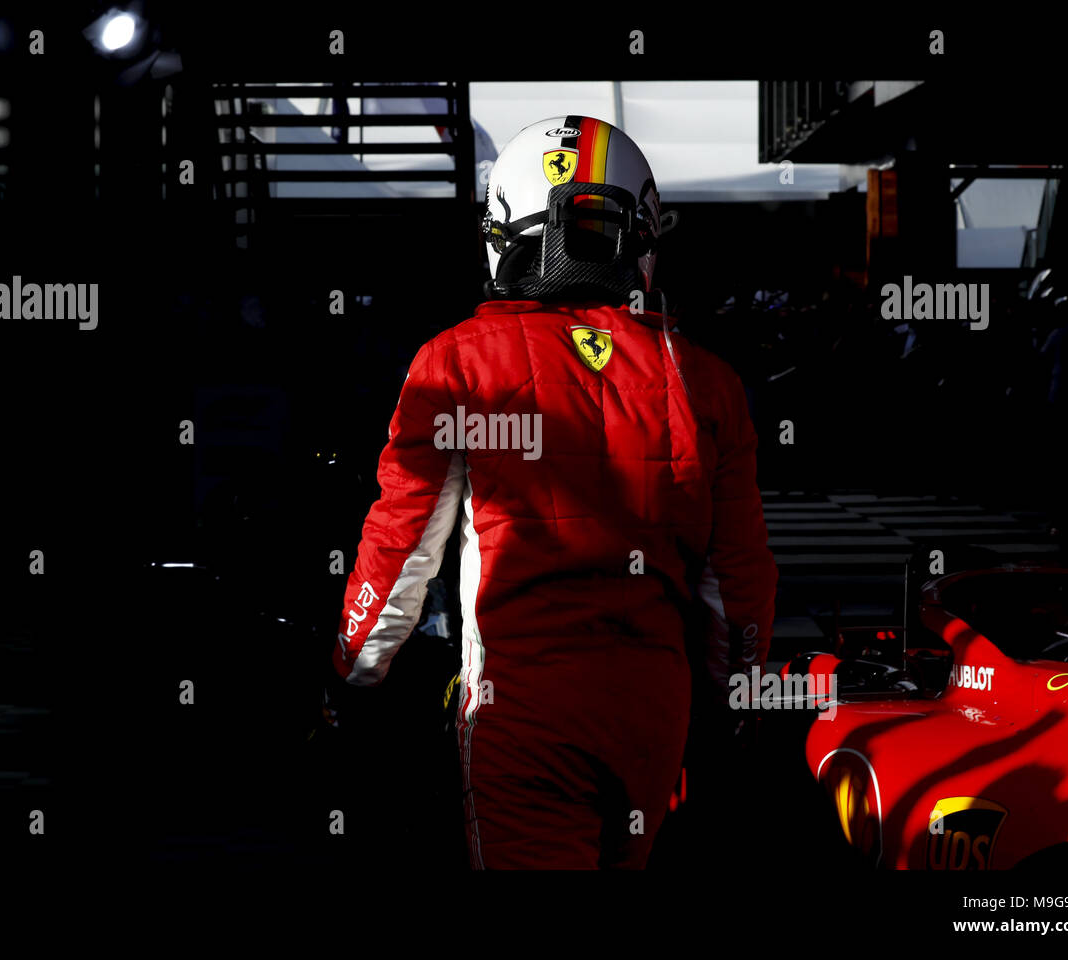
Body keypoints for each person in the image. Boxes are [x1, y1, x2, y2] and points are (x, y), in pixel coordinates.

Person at [330, 116, 777, 869]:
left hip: (521, 712)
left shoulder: (457, 363)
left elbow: (401, 545)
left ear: (507, 232)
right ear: (639, 234)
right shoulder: (709, 381)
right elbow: (736, 583)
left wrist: (354, 670)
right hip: (653, 713)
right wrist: (740, 697)